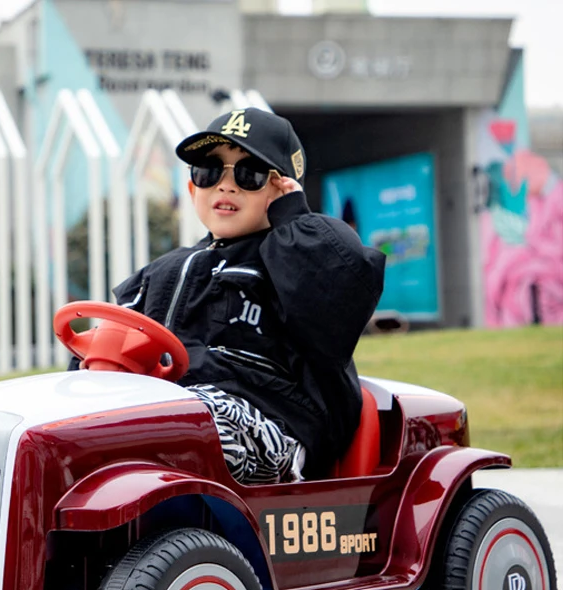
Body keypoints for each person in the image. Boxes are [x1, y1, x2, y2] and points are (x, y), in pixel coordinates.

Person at [114, 107, 385, 483]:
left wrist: (293, 219)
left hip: (272, 423)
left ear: (283, 190)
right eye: (209, 171)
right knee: (85, 424)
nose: (226, 186)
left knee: (178, 422)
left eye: (249, 174)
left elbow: (338, 295)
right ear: (193, 189)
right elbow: (112, 343)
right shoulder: (161, 272)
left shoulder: (299, 258)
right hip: (169, 412)